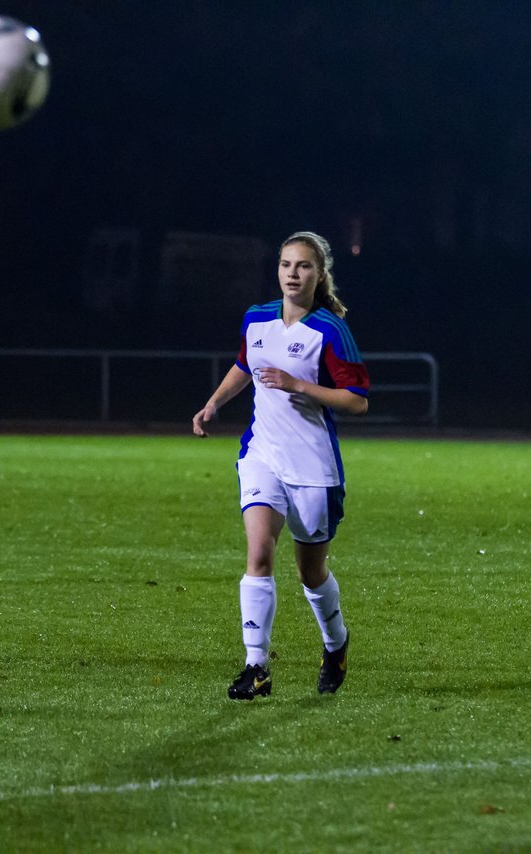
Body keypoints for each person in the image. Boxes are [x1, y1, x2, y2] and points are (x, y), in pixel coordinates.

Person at [192, 231, 370, 700]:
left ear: (319, 275)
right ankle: (257, 667)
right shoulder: (257, 318)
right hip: (262, 454)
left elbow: (356, 401)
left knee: (311, 574)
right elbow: (244, 365)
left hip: (313, 467)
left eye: (304, 266)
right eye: (287, 264)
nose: (293, 273)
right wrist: (213, 403)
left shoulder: (330, 330)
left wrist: (299, 384)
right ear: (278, 270)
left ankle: (336, 645)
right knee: (258, 557)